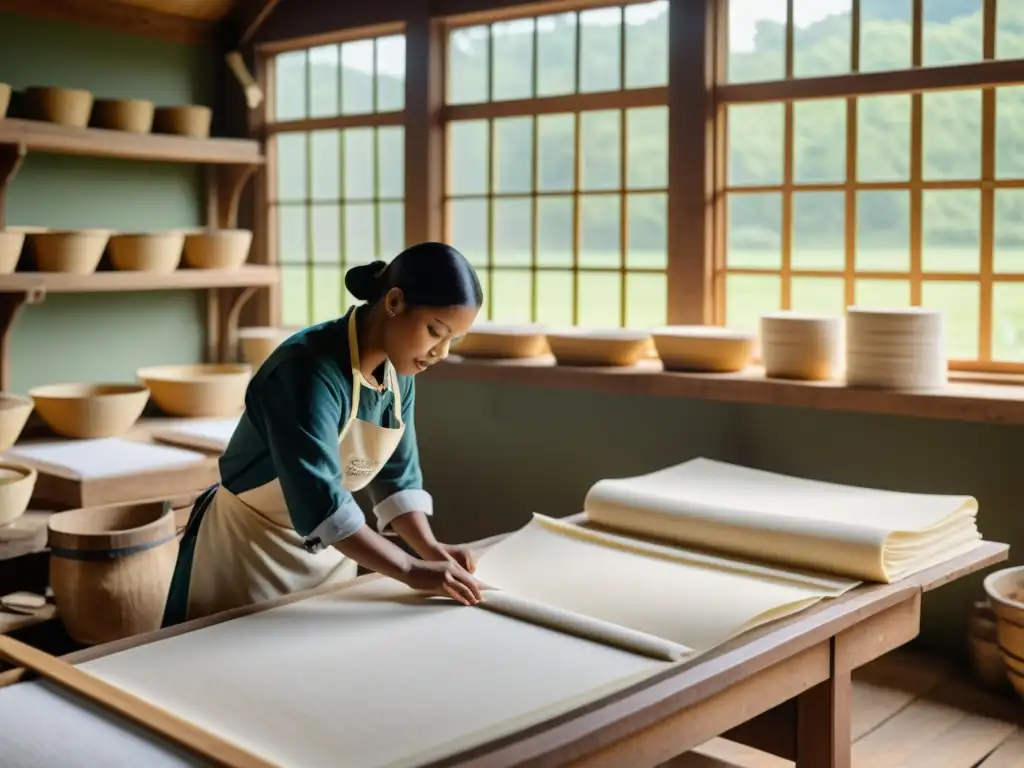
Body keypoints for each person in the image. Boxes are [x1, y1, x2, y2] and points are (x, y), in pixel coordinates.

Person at [162, 242, 485, 627]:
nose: (441, 352)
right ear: (394, 302)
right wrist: (409, 569)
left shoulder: (399, 371)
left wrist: (429, 549)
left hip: (334, 553)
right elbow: (321, 503)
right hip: (246, 554)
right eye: (435, 331)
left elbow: (397, 477)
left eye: (454, 340)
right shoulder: (305, 371)